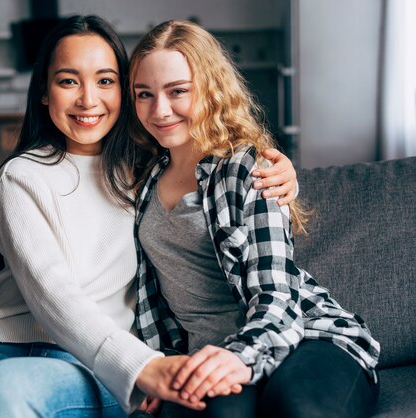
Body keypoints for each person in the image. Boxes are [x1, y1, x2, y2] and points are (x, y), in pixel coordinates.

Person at [0, 16, 297, 418]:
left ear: (124, 91)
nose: (87, 99)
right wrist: (145, 367)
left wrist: (283, 174)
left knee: (12, 388)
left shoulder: (149, 171)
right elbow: (51, 290)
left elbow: (220, 170)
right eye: (67, 81)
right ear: (44, 92)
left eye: (105, 80)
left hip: (97, 361)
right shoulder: (22, 176)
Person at [128, 20, 381, 418]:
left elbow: (277, 296)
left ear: (210, 89)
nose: (160, 110)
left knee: (299, 409)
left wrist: (241, 356)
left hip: (299, 334)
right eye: (145, 94)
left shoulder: (248, 169)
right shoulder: (139, 177)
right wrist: (156, 366)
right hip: (207, 355)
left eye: (178, 91)